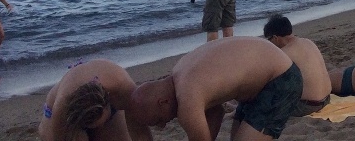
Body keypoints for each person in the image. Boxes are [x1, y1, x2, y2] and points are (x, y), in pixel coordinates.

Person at [129, 37, 302, 141]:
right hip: (261, 80)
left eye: (159, 120)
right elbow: (216, 112)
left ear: (163, 102)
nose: (163, 125)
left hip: (280, 79)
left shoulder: (188, 99)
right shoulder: (181, 70)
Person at [40, 58, 149, 141]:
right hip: (58, 116)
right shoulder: (62, 107)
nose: (100, 127)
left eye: (104, 121)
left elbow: (140, 127)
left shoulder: (120, 83)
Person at [262, 15, 332, 117]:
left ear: (275, 38)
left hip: (307, 106)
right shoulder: (308, 42)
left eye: (269, 40)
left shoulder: (284, 53)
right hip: (326, 99)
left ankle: (238, 110)